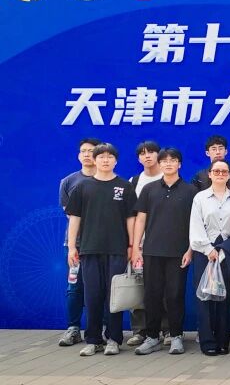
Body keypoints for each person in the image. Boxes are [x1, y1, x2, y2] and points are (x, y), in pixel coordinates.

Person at [65, 143, 137, 357]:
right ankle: (93, 340)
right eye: (101, 157)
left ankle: (114, 339)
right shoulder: (82, 187)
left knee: (114, 296)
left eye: (110, 157)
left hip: (117, 249)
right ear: (94, 160)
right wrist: (72, 247)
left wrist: (132, 246)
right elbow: (74, 219)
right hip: (89, 249)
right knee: (92, 295)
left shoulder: (125, 187)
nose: (105, 160)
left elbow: (131, 219)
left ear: (116, 160)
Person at [130, 148, 197, 355]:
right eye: (165, 161)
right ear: (159, 164)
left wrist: (190, 250)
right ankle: (152, 337)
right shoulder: (149, 189)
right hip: (151, 251)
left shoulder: (191, 191)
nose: (168, 164)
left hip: (178, 253)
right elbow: (140, 219)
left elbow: (195, 223)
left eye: (173, 160)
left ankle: (176, 336)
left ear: (180, 164)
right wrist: (135, 248)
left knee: (175, 295)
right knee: (152, 295)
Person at [189, 159, 230, 356]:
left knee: (223, 297)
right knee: (205, 297)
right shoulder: (200, 198)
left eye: (224, 171)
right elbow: (196, 226)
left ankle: (222, 340)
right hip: (205, 253)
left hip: (227, 252)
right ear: (209, 174)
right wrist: (208, 249)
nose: (220, 174)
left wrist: (224, 249)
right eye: (216, 171)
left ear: (229, 176)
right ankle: (207, 341)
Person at [58, 137, 101, 347]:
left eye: (91, 151)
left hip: (102, 244)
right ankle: (73, 328)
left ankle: (101, 329)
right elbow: (70, 213)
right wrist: (72, 246)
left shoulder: (109, 180)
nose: (86, 154)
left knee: (102, 288)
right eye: (83, 151)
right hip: (76, 244)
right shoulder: (68, 182)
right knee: (74, 287)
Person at [125, 140, 165, 347]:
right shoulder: (134, 181)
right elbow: (131, 215)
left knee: (165, 288)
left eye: (151, 152)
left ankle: (167, 329)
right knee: (139, 286)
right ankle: (140, 330)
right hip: (139, 245)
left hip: (164, 242)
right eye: (142, 153)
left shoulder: (168, 178)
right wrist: (133, 245)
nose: (147, 156)